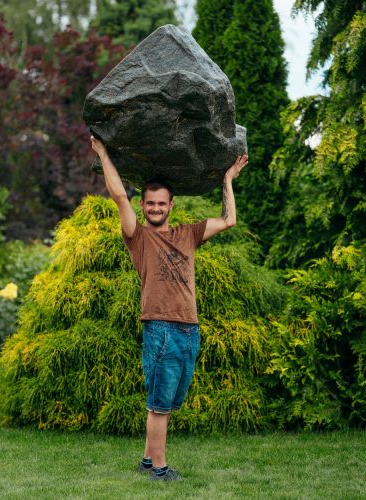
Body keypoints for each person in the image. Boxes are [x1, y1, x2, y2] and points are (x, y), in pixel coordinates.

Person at [91, 135, 248, 481]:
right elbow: (119, 196)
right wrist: (103, 152)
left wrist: (227, 181)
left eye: (162, 204)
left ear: (171, 205)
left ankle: (148, 459)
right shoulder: (138, 237)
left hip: (189, 327)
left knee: (170, 401)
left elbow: (229, 220)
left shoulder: (188, 234)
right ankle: (159, 470)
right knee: (159, 403)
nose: (156, 209)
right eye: (150, 204)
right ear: (144, 205)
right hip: (160, 327)